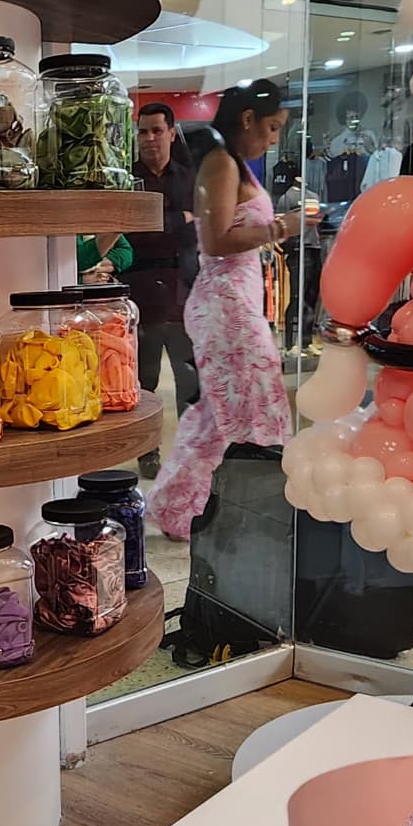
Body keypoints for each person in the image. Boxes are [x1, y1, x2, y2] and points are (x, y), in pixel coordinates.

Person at [149, 80, 301, 539]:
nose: (273, 139)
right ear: (248, 119)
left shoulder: (233, 164)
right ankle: (231, 506)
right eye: (272, 128)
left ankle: (186, 508)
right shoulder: (221, 162)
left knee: (222, 414)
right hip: (225, 303)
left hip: (235, 298)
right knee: (250, 406)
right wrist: (281, 227)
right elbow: (215, 241)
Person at [122, 102, 201, 475]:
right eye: (143, 131)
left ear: (171, 132)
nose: (149, 138)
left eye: (157, 130)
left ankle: (191, 454)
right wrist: (177, 221)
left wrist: (158, 225)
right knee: (143, 382)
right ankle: (147, 451)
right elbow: (130, 234)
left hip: (183, 294)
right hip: (140, 296)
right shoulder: (126, 180)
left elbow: (198, 231)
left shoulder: (190, 179)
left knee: (190, 380)